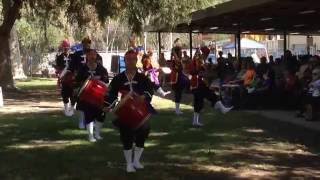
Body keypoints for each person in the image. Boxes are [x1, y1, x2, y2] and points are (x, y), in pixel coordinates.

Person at [106, 50, 154, 173]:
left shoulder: (143, 78)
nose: (131, 61)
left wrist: (143, 97)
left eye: (133, 59)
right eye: (128, 59)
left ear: (136, 61)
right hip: (125, 112)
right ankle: (129, 164)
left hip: (141, 111)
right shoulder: (119, 78)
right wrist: (109, 105)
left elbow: (149, 91)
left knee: (142, 134)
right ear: (125, 61)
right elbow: (111, 94)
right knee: (126, 136)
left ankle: (136, 161)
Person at [74, 48, 109, 142]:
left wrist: (99, 80)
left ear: (96, 56)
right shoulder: (82, 69)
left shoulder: (102, 69)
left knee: (101, 115)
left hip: (99, 96)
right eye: (90, 55)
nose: (92, 57)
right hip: (87, 97)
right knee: (89, 115)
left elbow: (106, 82)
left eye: (94, 55)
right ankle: (90, 136)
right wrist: (87, 81)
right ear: (87, 56)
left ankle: (97, 134)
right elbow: (77, 82)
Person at [190, 52, 232, 126]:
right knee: (209, 97)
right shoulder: (197, 62)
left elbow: (205, 70)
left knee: (199, 102)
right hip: (198, 84)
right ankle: (221, 108)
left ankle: (195, 121)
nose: (203, 56)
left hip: (197, 84)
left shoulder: (199, 62)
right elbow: (201, 72)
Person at [55, 39, 75, 116]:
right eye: (65, 48)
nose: (66, 49)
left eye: (67, 47)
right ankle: (66, 109)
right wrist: (59, 76)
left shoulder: (73, 56)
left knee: (73, 94)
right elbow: (58, 68)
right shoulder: (59, 57)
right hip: (64, 79)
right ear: (62, 48)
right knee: (65, 94)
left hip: (72, 79)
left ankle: (72, 109)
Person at [170, 46, 189, 115]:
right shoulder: (176, 60)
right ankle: (177, 110)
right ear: (177, 53)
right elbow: (177, 61)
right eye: (180, 52)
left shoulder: (178, 59)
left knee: (179, 94)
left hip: (179, 77)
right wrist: (174, 51)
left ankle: (177, 110)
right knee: (178, 94)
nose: (181, 53)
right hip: (177, 79)